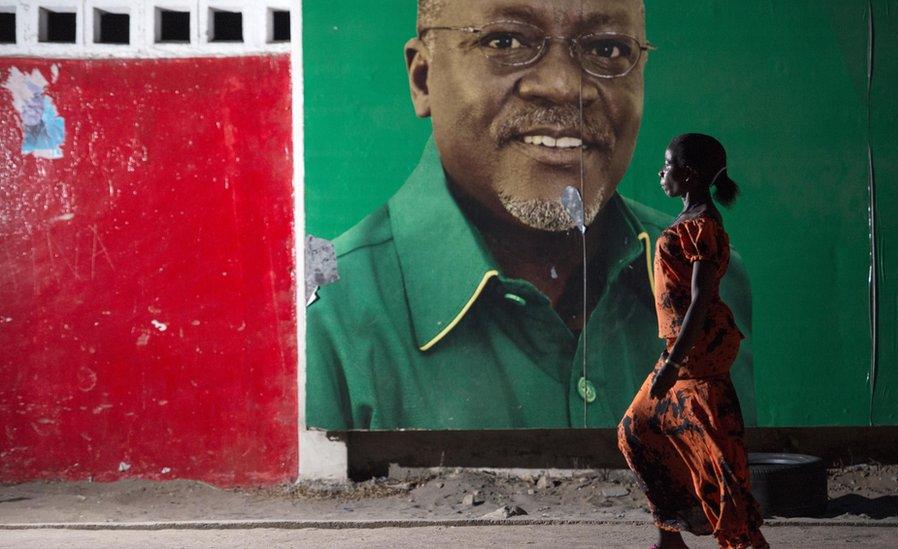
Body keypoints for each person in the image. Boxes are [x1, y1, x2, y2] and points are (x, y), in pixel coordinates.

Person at [305, 0, 753, 430]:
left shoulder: (714, 274)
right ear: (424, 78)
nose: (563, 86)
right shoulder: (323, 321)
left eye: (606, 48)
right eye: (504, 42)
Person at [617, 134, 767, 549]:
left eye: (667, 165)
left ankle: (743, 541)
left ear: (690, 174)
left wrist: (671, 363)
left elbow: (700, 299)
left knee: (718, 458)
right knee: (638, 429)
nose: (661, 172)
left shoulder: (702, 225)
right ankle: (670, 537)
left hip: (696, 355)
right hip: (683, 350)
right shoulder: (691, 219)